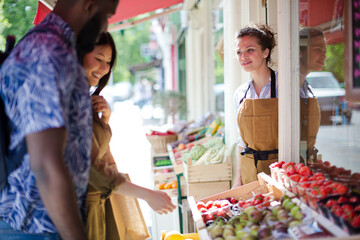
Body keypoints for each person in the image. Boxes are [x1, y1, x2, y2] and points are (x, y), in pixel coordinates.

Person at [0, 0, 118, 239]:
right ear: (88, 5)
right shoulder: (49, 53)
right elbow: (45, 164)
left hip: (42, 222)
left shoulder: (55, 48)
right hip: (34, 226)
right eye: (107, 15)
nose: (105, 25)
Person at [81, 32, 176, 240]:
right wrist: (148, 194)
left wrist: (103, 121)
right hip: (82, 212)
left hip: (95, 204)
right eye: (98, 59)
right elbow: (92, 168)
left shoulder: (84, 99)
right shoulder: (69, 100)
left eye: (108, 62)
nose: (104, 68)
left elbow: (95, 151)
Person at [232, 24, 278, 186]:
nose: (243, 56)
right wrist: (238, 180)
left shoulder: (285, 85)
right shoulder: (241, 94)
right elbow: (241, 142)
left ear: (266, 52)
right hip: (250, 171)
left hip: (281, 170)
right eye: (239, 52)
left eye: (250, 50)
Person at [299, 28, 325, 161]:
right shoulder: (287, 87)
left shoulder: (305, 86)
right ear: (300, 52)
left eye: (324, 51)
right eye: (318, 49)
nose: (324, 55)